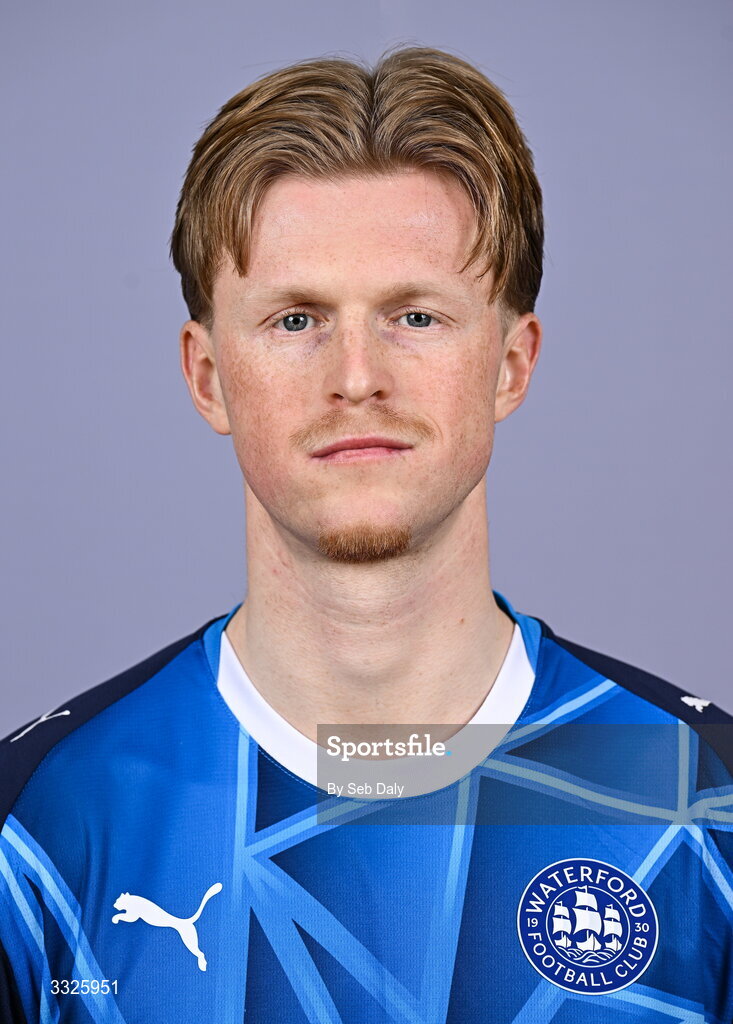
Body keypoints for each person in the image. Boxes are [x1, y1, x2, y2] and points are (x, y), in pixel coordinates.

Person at [1, 45, 731, 1024]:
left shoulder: (703, 798)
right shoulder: (40, 823)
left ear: (511, 363)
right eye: (297, 317)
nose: (356, 376)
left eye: (415, 315)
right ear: (207, 374)